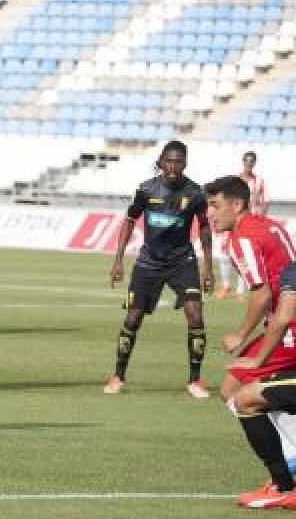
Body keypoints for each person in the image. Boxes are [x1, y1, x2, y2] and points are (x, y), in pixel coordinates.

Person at [203, 175, 296, 509]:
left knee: (235, 391)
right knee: (250, 390)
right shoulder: (273, 226)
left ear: (237, 204)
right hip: (284, 322)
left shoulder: (241, 238)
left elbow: (262, 293)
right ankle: (286, 464)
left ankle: (285, 472)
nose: (210, 214)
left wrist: (241, 335)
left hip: (288, 328)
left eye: (215, 206)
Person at [103, 140, 214, 398]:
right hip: (148, 262)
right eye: (169, 161)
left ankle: (195, 380)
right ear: (161, 162)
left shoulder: (195, 193)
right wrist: (118, 260)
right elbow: (129, 220)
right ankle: (118, 376)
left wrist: (208, 267)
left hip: (182, 261)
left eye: (178, 162)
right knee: (133, 317)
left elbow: (205, 227)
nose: (173, 166)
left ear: (185, 164)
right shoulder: (145, 189)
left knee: (195, 314)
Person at [218, 151, 268, 300]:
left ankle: (240, 290)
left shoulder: (259, 181)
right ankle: (226, 285)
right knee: (224, 255)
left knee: (245, 255)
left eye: (251, 162)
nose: (249, 164)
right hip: (232, 221)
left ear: (254, 163)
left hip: (249, 223)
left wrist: (260, 219)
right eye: (246, 161)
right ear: (243, 162)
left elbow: (265, 201)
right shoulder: (235, 180)